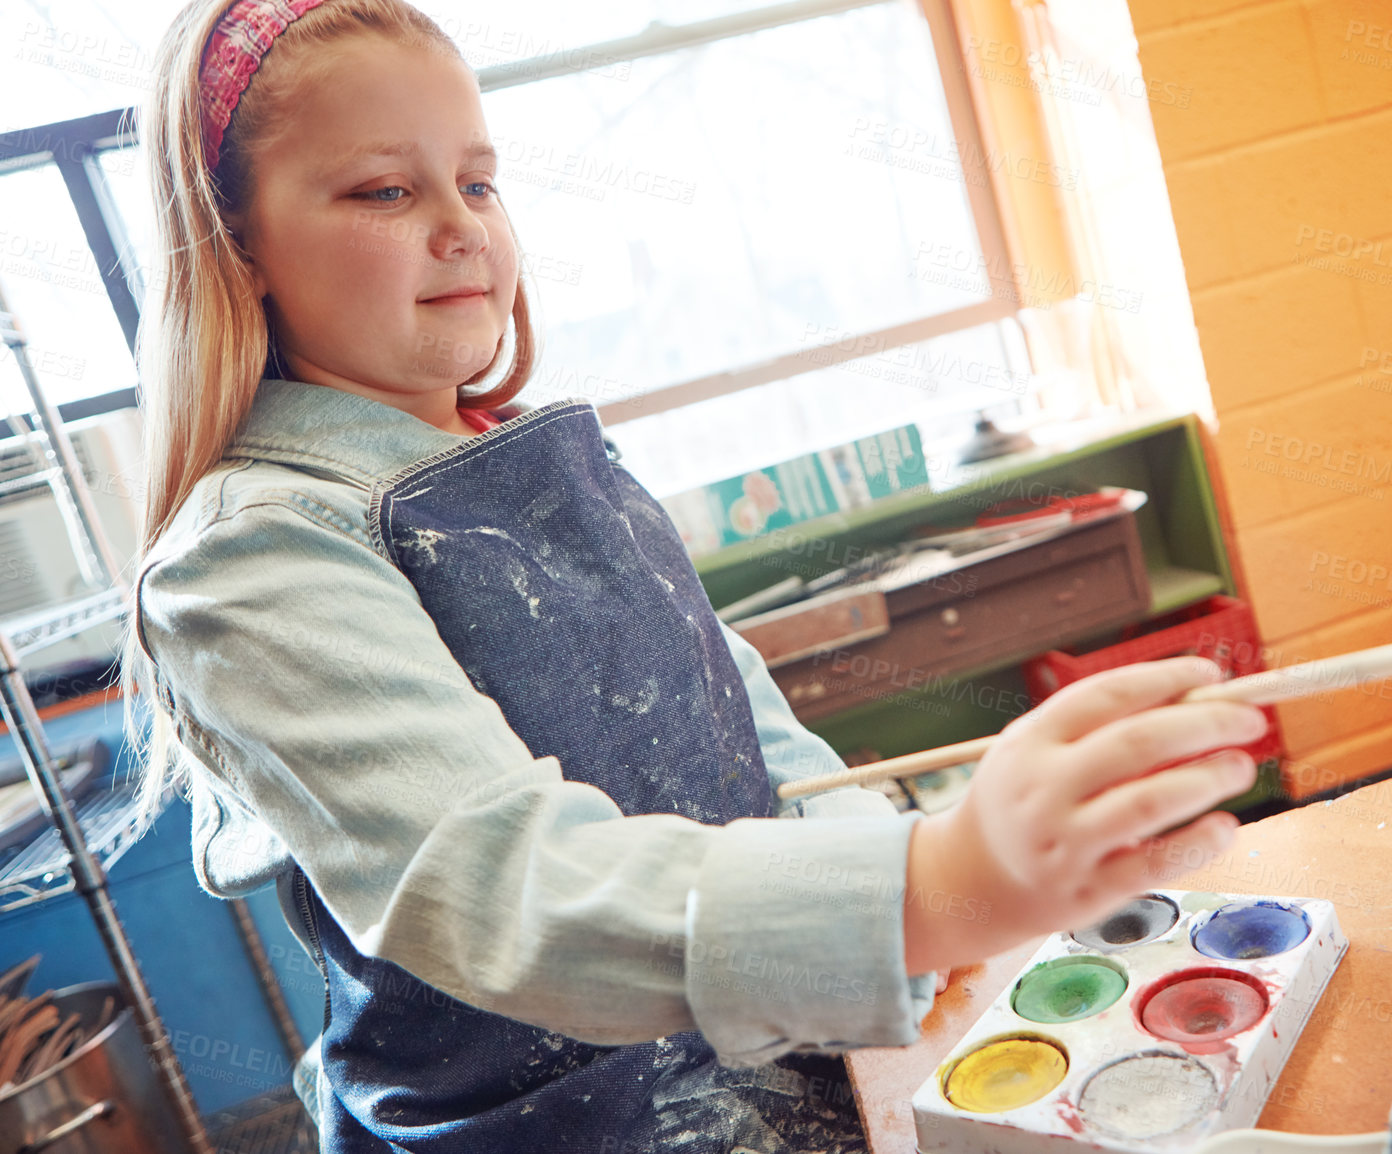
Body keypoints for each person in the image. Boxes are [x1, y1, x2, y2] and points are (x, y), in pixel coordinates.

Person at [122, 1, 1268, 1150]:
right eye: (384, 191)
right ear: (236, 247)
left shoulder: (541, 456)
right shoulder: (247, 556)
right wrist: (933, 884)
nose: (461, 228)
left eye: (477, 181)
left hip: (769, 1070)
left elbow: (751, 739)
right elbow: (507, 891)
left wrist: (908, 876)